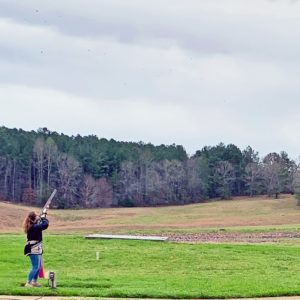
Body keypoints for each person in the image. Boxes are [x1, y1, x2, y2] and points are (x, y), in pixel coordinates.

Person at [22, 210, 49, 287]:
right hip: (33, 248)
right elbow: (45, 225)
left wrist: (44, 216)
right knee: (35, 267)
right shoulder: (33, 227)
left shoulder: (33, 226)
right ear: (34, 218)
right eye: (36, 216)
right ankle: (28, 282)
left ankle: (34, 281)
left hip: (36, 248)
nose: (38, 217)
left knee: (39, 266)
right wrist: (44, 218)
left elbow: (41, 224)